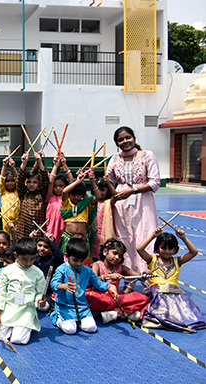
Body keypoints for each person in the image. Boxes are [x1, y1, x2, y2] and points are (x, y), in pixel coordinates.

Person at [106, 126, 160, 287]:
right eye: (121, 139)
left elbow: (154, 182)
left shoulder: (147, 155)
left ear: (134, 138)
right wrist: (105, 182)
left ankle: (149, 279)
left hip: (143, 202)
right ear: (117, 143)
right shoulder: (114, 159)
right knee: (125, 240)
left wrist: (133, 190)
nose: (125, 141)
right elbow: (109, 183)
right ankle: (130, 281)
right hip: (122, 205)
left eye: (128, 137)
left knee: (146, 237)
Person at [137, 227, 206, 332]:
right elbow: (139, 249)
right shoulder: (152, 259)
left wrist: (183, 238)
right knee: (162, 307)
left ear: (175, 249)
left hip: (175, 294)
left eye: (170, 248)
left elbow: (194, 252)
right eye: (163, 248)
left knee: (188, 313)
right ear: (158, 248)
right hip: (157, 293)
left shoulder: (177, 261)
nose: (167, 251)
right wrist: (153, 236)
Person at [50, 238, 118, 335]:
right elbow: (53, 284)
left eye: (82, 260)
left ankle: (75, 321)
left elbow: (98, 284)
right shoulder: (62, 269)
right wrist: (63, 286)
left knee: (91, 328)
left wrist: (110, 287)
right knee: (70, 330)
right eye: (75, 260)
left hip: (82, 308)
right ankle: (58, 316)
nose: (78, 263)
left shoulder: (87, 271)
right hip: (65, 307)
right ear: (67, 255)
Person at [0, 239, 45, 345]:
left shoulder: (38, 273)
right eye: (24, 259)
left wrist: (39, 300)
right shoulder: (7, 270)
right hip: (8, 307)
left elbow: (39, 292)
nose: (28, 263)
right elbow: (1, 292)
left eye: (32, 259)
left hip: (26, 310)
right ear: (16, 255)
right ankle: (15, 328)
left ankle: (19, 327)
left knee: (18, 340)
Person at [86, 238, 150, 324]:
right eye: (115, 253)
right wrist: (108, 276)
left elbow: (138, 276)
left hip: (115, 297)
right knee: (88, 296)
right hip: (99, 297)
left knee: (143, 299)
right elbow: (92, 279)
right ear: (105, 252)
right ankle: (119, 312)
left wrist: (144, 275)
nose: (117, 257)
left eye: (120, 256)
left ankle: (114, 313)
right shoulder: (97, 265)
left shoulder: (120, 268)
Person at [59, 170, 100, 255]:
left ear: (82, 195)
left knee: (83, 261)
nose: (76, 197)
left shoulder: (85, 204)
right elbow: (64, 191)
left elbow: (98, 196)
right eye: (73, 194)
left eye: (79, 194)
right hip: (68, 238)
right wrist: (78, 182)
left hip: (82, 237)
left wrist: (92, 181)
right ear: (70, 194)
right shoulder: (66, 204)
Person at [16, 151, 49, 240]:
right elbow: (20, 179)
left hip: (37, 231)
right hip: (23, 231)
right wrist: (24, 163)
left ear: (39, 183)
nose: (31, 184)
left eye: (35, 182)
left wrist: (39, 161)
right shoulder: (23, 194)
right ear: (26, 183)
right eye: (29, 182)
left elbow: (45, 179)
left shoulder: (41, 194)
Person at [32, 232, 64, 312]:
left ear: (51, 249)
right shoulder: (32, 258)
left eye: (46, 247)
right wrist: (31, 240)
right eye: (39, 245)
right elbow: (25, 252)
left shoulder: (53, 260)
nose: (42, 249)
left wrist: (52, 243)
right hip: (31, 288)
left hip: (44, 292)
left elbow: (60, 257)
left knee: (43, 307)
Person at [46, 154, 72, 243]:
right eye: (55, 186)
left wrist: (64, 165)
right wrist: (56, 165)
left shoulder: (67, 196)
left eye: (61, 186)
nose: (58, 188)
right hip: (52, 227)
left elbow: (72, 181)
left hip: (64, 226)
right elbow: (50, 181)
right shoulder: (50, 196)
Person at [0, 156, 19, 229]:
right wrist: (4, 165)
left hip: (17, 223)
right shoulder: (3, 192)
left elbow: (17, 179)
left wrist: (13, 167)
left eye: (12, 181)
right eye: (7, 181)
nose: (10, 183)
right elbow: (2, 179)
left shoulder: (17, 192)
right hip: (5, 223)